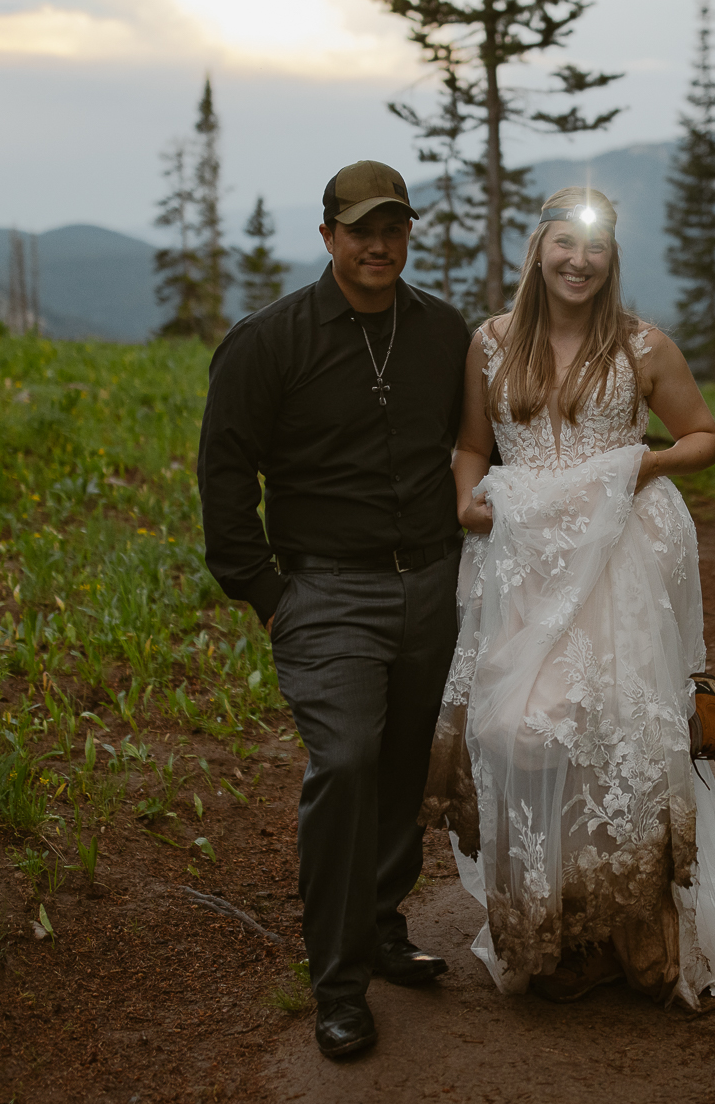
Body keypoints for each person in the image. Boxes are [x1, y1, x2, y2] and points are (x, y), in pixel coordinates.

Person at [421, 187, 715, 1005]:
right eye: (563, 242)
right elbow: (471, 443)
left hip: (619, 561)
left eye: (595, 247)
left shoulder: (641, 345)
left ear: (612, 259)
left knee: (615, 731)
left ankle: (637, 929)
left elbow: (703, 435)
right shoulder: (493, 344)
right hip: (526, 561)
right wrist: (466, 501)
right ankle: (555, 919)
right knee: (517, 727)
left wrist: (645, 464)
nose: (578, 260)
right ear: (537, 248)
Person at [197, 160, 470, 1058]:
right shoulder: (268, 342)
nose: (379, 245)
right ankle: (339, 984)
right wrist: (269, 595)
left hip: (432, 584)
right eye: (361, 230)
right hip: (325, 590)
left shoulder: (441, 333)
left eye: (393, 228)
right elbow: (227, 477)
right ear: (327, 237)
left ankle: (384, 925)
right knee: (346, 760)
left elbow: (479, 449)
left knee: (402, 764)